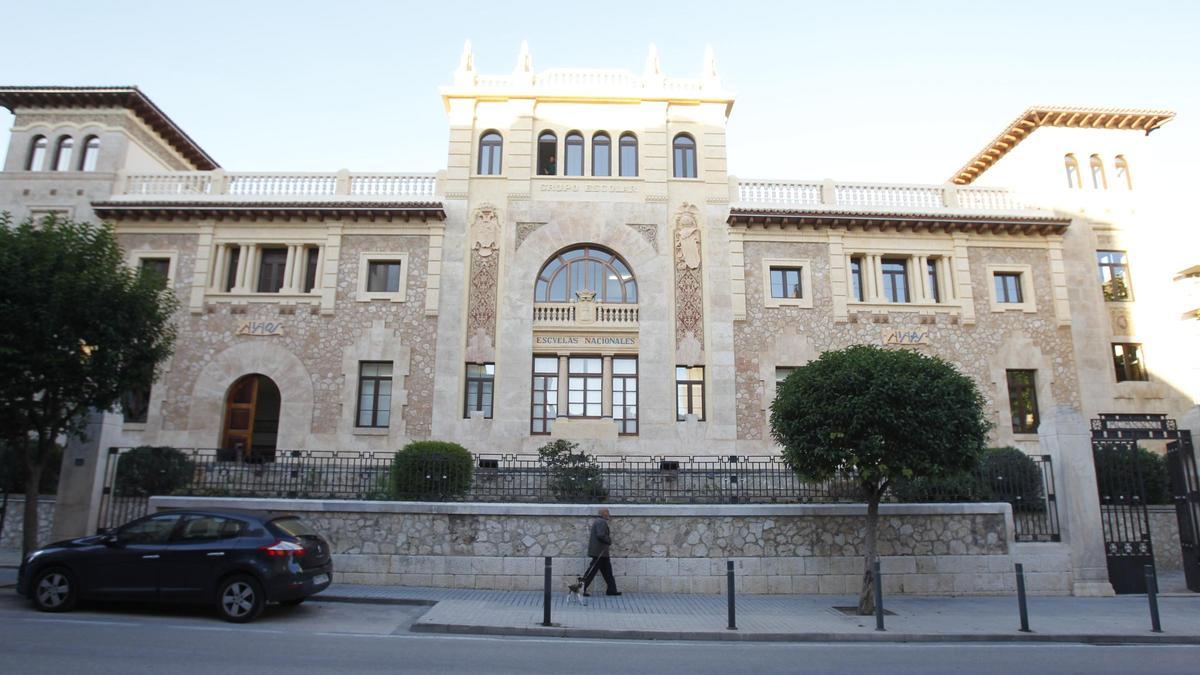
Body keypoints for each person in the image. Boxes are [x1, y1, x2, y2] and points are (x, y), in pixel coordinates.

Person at [581, 508, 621, 596]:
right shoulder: (601, 522)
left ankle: (612, 590)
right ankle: (581, 588)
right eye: (608, 512)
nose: (609, 514)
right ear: (604, 514)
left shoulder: (599, 521)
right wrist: (609, 540)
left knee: (608, 572)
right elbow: (600, 535)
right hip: (599, 552)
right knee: (591, 572)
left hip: (602, 553)